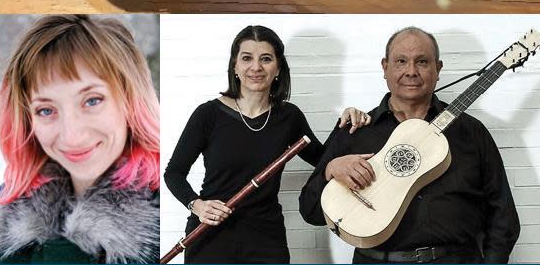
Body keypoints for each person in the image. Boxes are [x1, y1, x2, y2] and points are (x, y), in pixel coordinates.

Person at [299, 26, 521, 264]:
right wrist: (330, 169)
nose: (411, 71)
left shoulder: (471, 131)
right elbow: (311, 211)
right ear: (385, 68)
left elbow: (503, 214)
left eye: (422, 62)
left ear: (438, 69)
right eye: (401, 61)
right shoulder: (355, 130)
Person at [164, 25, 370, 264]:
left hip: (265, 236)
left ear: (278, 68)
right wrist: (197, 206)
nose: (256, 67)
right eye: (247, 58)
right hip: (210, 232)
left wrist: (344, 125)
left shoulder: (288, 117)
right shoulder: (208, 114)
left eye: (266, 59)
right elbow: (174, 173)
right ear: (235, 66)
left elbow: (323, 162)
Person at [0, 15, 160, 264]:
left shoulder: (167, 213)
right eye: (46, 110)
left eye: (92, 101)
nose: (72, 135)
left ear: (130, 100)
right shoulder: (8, 205)